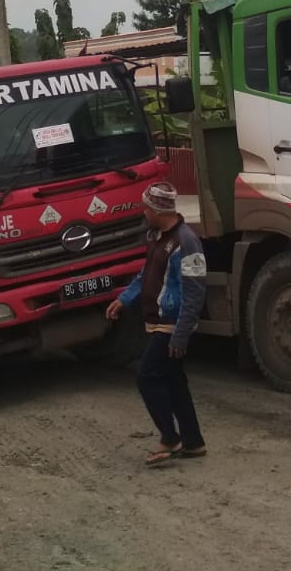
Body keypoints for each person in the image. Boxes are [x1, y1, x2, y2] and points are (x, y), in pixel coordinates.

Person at [106, 181, 207, 467]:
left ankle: (169, 437)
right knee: (174, 381)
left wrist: (181, 334)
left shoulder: (187, 243)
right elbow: (146, 273)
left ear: (156, 210)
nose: (143, 212)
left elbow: (195, 291)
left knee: (147, 376)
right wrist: (124, 300)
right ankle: (193, 442)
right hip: (158, 322)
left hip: (171, 325)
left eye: (145, 208)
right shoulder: (156, 236)